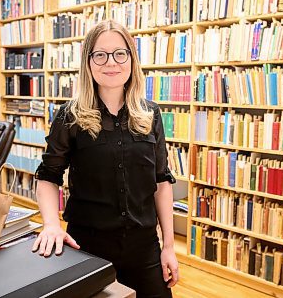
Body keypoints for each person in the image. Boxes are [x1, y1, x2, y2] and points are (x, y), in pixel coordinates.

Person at [32, 19, 179, 297]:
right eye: (100, 54)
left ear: (131, 60)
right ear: (88, 62)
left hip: (144, 247)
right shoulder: (69, 116)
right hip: (87, 248)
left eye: (120, 53)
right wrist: (51, 224)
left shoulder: (151, 114)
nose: (111, 62)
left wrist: (168, 246)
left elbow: (161, 181)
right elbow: (48, 177)